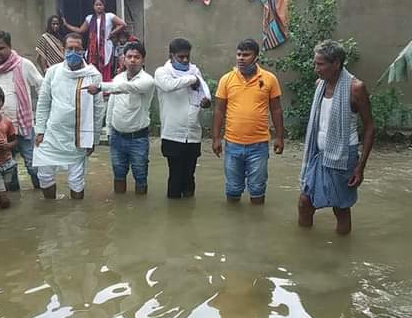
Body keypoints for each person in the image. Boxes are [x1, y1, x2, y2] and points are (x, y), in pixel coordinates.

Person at [299, 40, 374, 235]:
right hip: (319, 154)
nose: (316, 69)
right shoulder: (320, 85)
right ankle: (304, 249)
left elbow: (369, 128)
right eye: (315, 63)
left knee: (340, 208)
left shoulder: (355, 88)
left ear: (336, 63)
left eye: (321, 64)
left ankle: (341, 256)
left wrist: (360, 167)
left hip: (343, 155)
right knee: (305, 203)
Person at [212, 39, 285, 205]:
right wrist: (216, 138)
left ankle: (257, 224)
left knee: (258, 189)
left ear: (256, 57)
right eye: (238, 54)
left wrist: (280, 137)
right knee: (232, 189)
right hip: (232, 144)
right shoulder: (227, 79)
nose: (241, 58)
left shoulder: (269, 79)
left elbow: (276, 109)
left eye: (246, 55)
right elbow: (219, 110)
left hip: (259, 145)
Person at [33, 33, 105, 200]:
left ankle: (77, 217)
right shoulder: (52, 72)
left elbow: (98, 109)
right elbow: (43, 103)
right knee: (44, 176)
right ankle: (50, 212)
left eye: (78, 49)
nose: (73, 52)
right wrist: (40, 130)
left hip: (79, 136)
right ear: (62, 50)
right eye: (70, 48)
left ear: (84, 51)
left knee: (76, 180)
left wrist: (93, 139)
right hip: (52, 134)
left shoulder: (92, 75)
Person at [0, 30, 43, 191]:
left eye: (1, 48)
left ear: (10, 46)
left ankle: (43, 197)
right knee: (7, 169)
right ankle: (14, 202)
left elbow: (41, 86)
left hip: (24, 126)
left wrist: (41, 115)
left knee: (34, 166)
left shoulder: (24, 64)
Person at [87, 41, 155, 194]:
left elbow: (126, 88)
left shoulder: (148, 81)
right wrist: (109, 131)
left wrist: (100, 87)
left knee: (140, 176)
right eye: (129, 56)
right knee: (118, 175)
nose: (132, 60)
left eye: (136, 57)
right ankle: (120, 207)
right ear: (124, 59)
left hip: (138, 138)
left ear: (143, 60)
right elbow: (112, 104)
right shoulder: (117, 78)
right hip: (117, 136)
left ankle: (140, 210)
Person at [154, 38, 211, 199]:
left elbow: (203, 95)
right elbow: (169, 86)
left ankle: (187, 213)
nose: (185, 60)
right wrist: (192, 79)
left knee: (189, 177)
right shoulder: (162, 72)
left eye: (187, 57)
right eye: (181, 57)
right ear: (171, 56)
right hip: (172, 133)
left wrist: (205, 101)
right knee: (175, 176)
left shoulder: (195, 71)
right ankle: (174, 214)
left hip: (192, 134)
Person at [63, 0, 126, 82]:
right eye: (96, 5)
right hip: (93, 48)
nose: (98, 7)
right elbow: (81, 30)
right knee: (92, 67)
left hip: (105, 46)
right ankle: (94, 85)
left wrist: (112, 33)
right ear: (93, 6)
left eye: (100, 5)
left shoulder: (109, 16)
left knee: (105, 66)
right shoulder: (89, 18)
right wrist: (67, 25)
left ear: (104, 6)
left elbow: (122, 24)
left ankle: (105, 87)